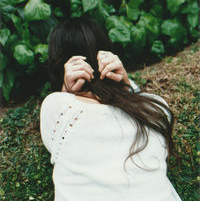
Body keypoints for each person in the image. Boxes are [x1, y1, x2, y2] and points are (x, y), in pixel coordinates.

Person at [40, 17, 182, 201]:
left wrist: (66, 89)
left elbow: (56, 127)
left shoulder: (58, 108)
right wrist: (126, 85)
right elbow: (137, 101)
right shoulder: (155, 107)